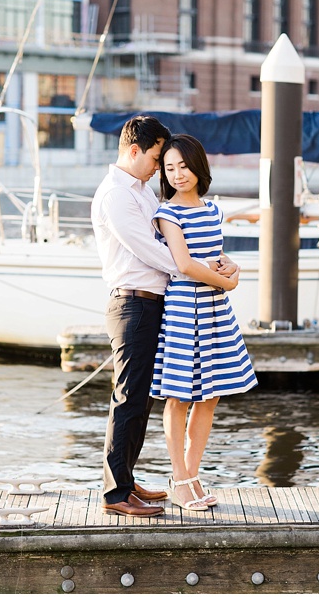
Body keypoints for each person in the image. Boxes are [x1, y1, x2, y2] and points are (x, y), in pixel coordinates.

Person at [91, 115, 238, 517]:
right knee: (129, 398)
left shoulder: (140, 191)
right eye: (157, 158)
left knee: (141, 399)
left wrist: (217, 264)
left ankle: (126, 479)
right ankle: (116, 494)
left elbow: (185, 245)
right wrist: (212, 276)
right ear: (135, 150)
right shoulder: (116, 196)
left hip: (156, 301)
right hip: (133, 303)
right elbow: (155, 251)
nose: (161, 168)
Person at [151, 134, 258, 511]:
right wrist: (228, 281)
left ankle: (193, 476)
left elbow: (215, 254)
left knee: (209, 395)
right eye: (170, 168)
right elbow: (183, 264)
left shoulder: (213, 210)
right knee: (179, 395)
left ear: (198, 166)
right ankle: (179, 480)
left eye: (183, 166)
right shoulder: (168, 214)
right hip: (184, 308)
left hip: (214, 308)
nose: (178, 174)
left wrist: (234, 266)